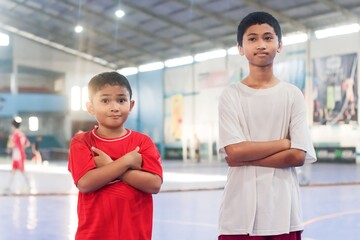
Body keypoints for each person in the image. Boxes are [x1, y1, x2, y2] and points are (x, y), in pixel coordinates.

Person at [217, 12, 317, 240]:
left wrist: (247, 158)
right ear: (240, 48)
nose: (261, 44)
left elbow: (297, 156)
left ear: (279, 45)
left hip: (283, 212)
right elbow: (234, 151)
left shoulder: (292, 94)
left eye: (268, 38)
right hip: (239, 213)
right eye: (252, 39)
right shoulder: (231, 95)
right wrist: (284, 143)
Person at [68, 71, 163, 240]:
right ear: (90, 107)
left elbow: (154, 184)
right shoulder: (82, 142)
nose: (114, 107)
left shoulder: (143, 142)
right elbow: (85, 183)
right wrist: (126, 161)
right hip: (93, 235)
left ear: (131, 105)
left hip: (135, 235)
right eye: (105, 100)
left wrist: (108, 165)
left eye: (121, 100)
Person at [6, 117, 31, 192]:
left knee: (21, 171)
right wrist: (22, 147)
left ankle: (29, 185)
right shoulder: (22, 134)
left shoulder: (14, 135)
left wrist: (10, 142)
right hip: (20, 154)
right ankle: (8, 186)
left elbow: (11, 145)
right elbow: (28, 144)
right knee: (14, 171)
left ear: (13, 126)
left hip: (17, 155)